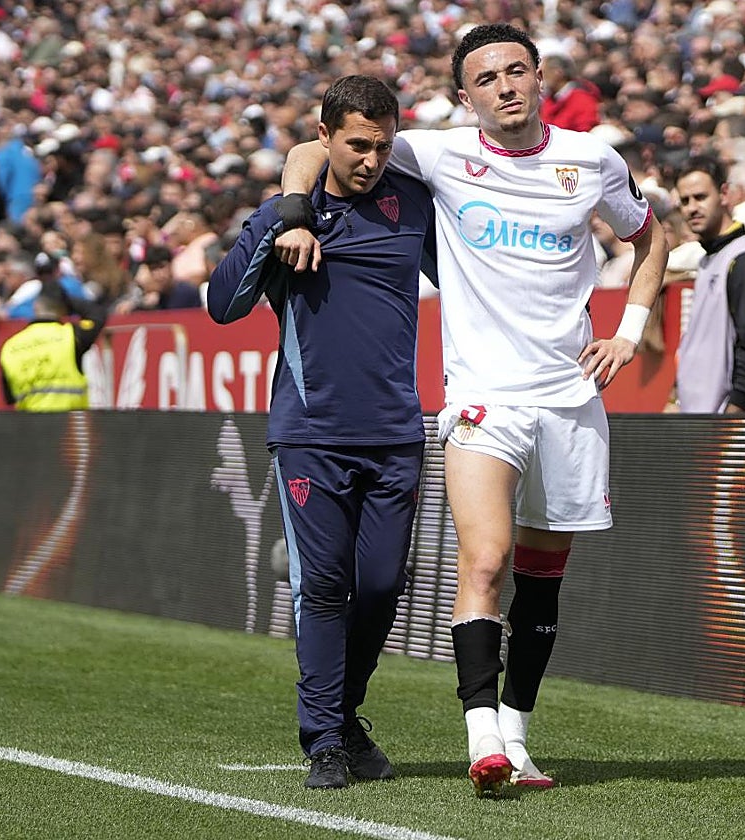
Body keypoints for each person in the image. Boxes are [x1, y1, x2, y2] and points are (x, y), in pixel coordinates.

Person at [278, 23, 668, 796]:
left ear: (540, 77)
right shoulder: (438, 152)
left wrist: (630, 330)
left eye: (516, 71)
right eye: (486, 79)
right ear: (466, 97)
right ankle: (482, 738)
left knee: (544, 582)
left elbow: (652, 237)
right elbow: (313, 148)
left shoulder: (591, 159)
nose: (505, 87)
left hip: (570, 399)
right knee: (483, 563)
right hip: (484, 398)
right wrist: (293, 211)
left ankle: (517, 739)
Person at [207, 75, 436, 791]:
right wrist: (284, 220)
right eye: (357, 145)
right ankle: (326, 742)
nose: (370, 159)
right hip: (311, 433)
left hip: (398, 431)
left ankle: (343, 717)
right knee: (326, 587)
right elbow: (221, 305)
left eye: (382, 145)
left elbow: (474, 276)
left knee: (381, 587)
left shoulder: (415, 204)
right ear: (325, 137)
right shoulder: (288, 212)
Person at [673, 156, 745, 414]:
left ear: (724, 194)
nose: (691, 208)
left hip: (728, 425)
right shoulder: (711, 259)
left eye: (700, 197)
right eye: (684, 201)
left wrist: (736, 409)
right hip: (699, 420)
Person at [0, 279, 106, 412]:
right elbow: (98, 314)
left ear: (35, 307)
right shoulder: (71, 335)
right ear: (62, 308)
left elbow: (10, 398)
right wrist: (69, 302)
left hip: (31, 428)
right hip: (71, 426)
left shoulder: (9, 347)